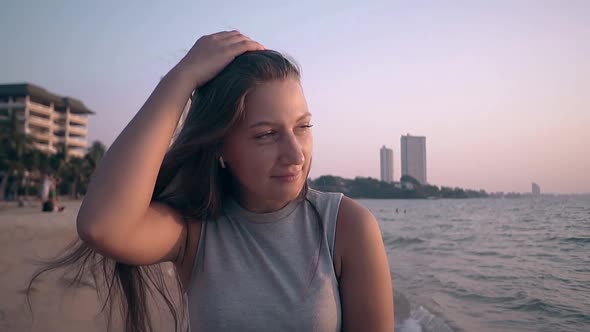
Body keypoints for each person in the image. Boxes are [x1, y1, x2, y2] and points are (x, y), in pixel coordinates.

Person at [29, 31, 393, 331]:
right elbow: (102, 226)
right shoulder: (194, 231)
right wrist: (181, 78)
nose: (296, 154)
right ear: (220, 146)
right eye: (266, 134)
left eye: (303, 127)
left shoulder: (345, 226)